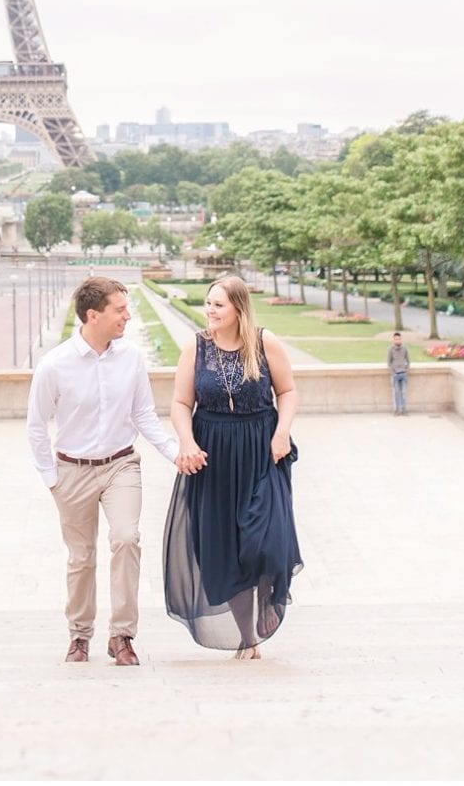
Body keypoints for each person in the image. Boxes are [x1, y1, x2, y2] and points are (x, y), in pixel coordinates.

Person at [26, 276, 181, 666]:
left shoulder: (130, 357)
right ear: (93, 315)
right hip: (71, 472)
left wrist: (174, 452)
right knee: (81, 558)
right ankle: (79, 636)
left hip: (120, 464)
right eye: (120, 309)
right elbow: (36, 424)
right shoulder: (54, 365)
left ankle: (122, 635)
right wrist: (50, 478)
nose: (127, 316)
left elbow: (143, 412)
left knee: (127, 538)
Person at [163, 273, 303, 656]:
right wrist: (187, 441)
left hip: (261, 449)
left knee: (266, 538)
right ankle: (248, 635)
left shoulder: (263, 343)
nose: (210, 310)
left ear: (239, 308)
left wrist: (282, 432)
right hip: (214, 455)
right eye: (208, 303)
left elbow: (287, 391)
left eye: (218, 304)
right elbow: (179, 403)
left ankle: (268, 597)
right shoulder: (196, 348)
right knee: (224, 547)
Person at [387, 331, 411, 415]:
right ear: (393, 340)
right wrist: (393, 372)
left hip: (403, 374)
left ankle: (404, 410)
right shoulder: (390, 349)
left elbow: (408, 361)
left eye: (399, 339)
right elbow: (389, 362)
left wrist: (406, 370)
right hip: (395, 375)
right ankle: (397, 410)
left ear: (401, 339)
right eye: (396, 339)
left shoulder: (405, 348)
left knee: (404, 393)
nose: (398, 340)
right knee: (396, 393)